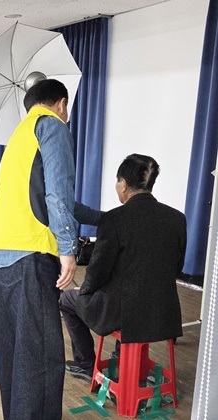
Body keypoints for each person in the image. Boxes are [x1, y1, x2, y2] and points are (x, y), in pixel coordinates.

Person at [0, 79, 101, 419]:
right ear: (61, 103)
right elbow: (58, 195)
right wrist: (69, 251)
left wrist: (102, 218)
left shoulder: (20, 135)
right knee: (41, 355)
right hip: (31, 253)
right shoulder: (52, 126)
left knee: (13, 350)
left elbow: (53, 197)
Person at [59, 154, 186, 381]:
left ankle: (86, 364)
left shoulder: (114, 220)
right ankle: (122, 359)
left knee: (67, 300)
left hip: (125, 313)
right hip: (163, 312)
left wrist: (85, 291)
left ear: (124, 184)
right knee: (127, 293)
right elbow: (177, 268)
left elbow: (97, 272)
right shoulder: (177, 218)